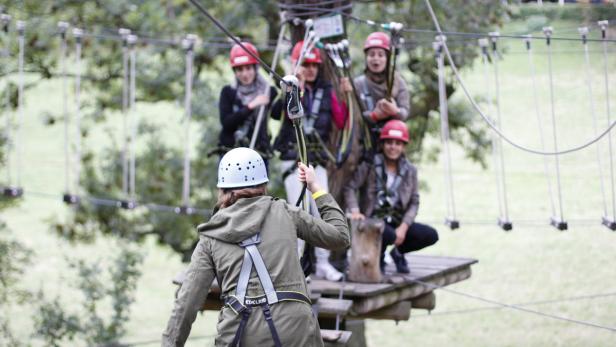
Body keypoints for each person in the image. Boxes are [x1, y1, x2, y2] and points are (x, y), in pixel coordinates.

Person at [162, 147, 350, 346]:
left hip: (241, 335)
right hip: (297, 331)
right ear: (263, 184)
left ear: (223, 188)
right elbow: (339, 236)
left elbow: (187, 302)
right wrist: (316, 188)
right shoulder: (286, 212)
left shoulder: (211, 235)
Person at [272, 40, 347, 281]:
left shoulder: (326, 90)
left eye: (315, 65)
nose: (311, 69)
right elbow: (278, 114)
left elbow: (341, 121)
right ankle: (296, 268)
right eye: (306, 64)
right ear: (297, 65)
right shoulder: (290, 87)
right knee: (297, 209)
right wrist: (294, 90)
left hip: (316, 161)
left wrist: (345, 95)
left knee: (319, 208)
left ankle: (323, 264)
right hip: (294, 160)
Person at [343, 120, 438, 274]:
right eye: (389, 143)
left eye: (398, 143)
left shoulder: (410, 171)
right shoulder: (369, 165)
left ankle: (398, 253)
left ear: (403, 146)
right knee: (387, 234)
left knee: (430, 235)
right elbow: (350, 188)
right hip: (373, 220)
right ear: (383, 144)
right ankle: (378, 255)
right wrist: (355, 210)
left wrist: (404, 226)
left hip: (397, 222)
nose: (393, 147)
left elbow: (414, 201)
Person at [216, 42, 278, 164]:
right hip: (232, 153)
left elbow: (277, 115)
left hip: (259, 153)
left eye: (248, 68)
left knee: (260, 184)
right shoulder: (228, 92)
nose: (244, 74)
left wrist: (288, 93)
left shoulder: (268, 91)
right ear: (234, 71)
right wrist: (251, 105)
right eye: (239, 69)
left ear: (255, 68)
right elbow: (227, 122)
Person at [353, 31, 411, 152]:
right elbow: (353, 118)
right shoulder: (358, 85)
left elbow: (405, 113)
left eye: (381, 55)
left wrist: (395, 111)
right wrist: (374, 115)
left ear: (388, 58)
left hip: (392, 147)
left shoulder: (398, 82)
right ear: (366, 58)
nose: (376, 59)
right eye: (371, 54)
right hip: (364, 145)